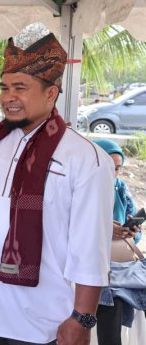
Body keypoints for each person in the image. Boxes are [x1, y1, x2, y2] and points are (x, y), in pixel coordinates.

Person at [0, 24, 115, 345]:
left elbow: (91, 248)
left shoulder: (87, 159)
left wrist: (83, 318)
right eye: (4, 88)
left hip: (41, 320)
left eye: (20, 87)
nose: (8, 98)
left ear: (51, 92)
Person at [93, 139, 144, 345]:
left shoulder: (119, 187)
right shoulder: (83, 188)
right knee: (113, 300)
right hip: (95, 260)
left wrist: (131, 231)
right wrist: (104, 229)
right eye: (109, 167)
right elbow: (69, 228)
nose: (114, 174)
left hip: (121, 260)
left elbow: (135, 237)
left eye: (117, 168)